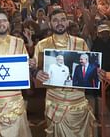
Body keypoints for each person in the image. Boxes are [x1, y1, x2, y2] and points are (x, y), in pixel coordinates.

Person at [33, 8, 96, 137]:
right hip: (54, 102)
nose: (59, 23)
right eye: (55, 20)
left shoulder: (80, 43)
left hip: (78, 102)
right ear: (50, 23)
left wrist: (96, 72)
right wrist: (35, 72)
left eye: (63, 20)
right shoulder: (42, 45)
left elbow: (89, 69)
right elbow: (35, 68)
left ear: (67, 22)